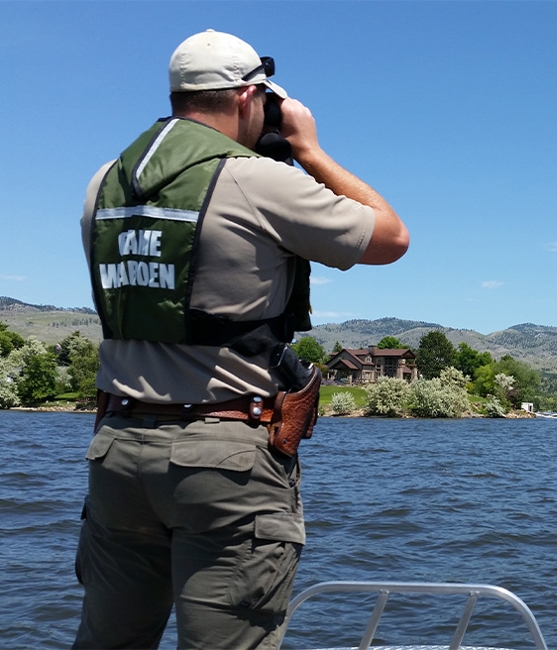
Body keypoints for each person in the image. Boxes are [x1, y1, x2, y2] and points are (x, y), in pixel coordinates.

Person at [73, 29, 408, 650]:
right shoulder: (256, 181)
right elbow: (389, 237)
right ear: (251, 96)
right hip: (224, 457)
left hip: (115, 452)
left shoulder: (104, 185)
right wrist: (309, 150)